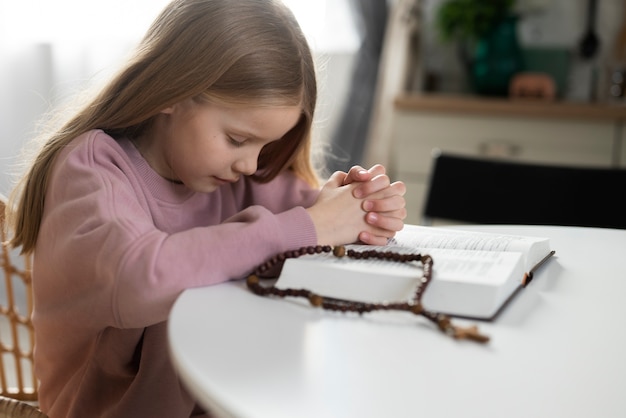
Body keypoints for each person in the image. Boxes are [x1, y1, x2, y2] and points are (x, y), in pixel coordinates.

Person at [5, 0, 406, 417]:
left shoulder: (232, 176)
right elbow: (140, 278)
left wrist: (359, 207)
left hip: (224, 398)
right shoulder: (92, 172)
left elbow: (313, 215)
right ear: (171, 93)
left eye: (265, 146)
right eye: (237, 139)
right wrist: (312, 226)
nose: (250, 164)